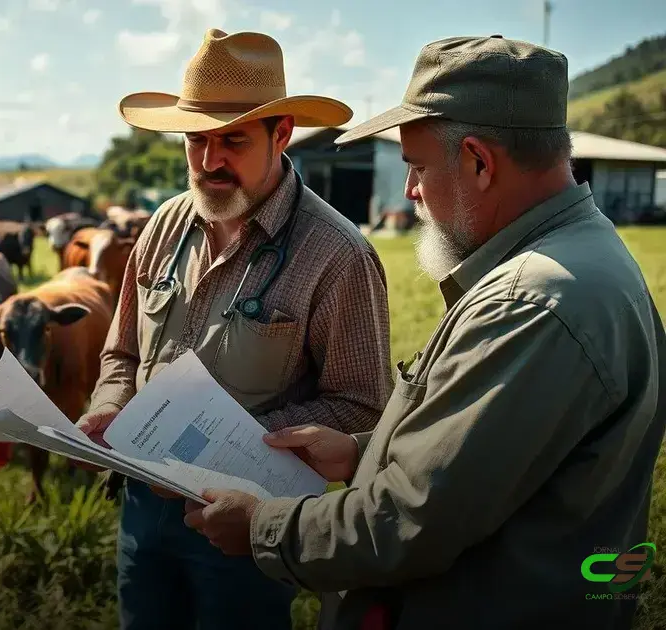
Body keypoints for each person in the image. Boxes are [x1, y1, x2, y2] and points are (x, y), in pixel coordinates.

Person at [181, 34, 666, 629]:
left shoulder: (530, 303)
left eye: (416, 168)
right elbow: (484, 462)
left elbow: (409, 522)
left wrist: (261, 527)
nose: (409, 193)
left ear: (479, 163)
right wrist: (359, 454)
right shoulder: (578, 263)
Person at [75, 28, 394, 630]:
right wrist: (110, 403)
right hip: (142, 506)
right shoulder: (165, 224)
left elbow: (359, 407)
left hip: (248, 522)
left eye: (233, 141)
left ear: (283, 134)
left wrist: (234, 441)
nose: (208, 161)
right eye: (195, 141)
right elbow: (120, 350)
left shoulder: (336, 255)